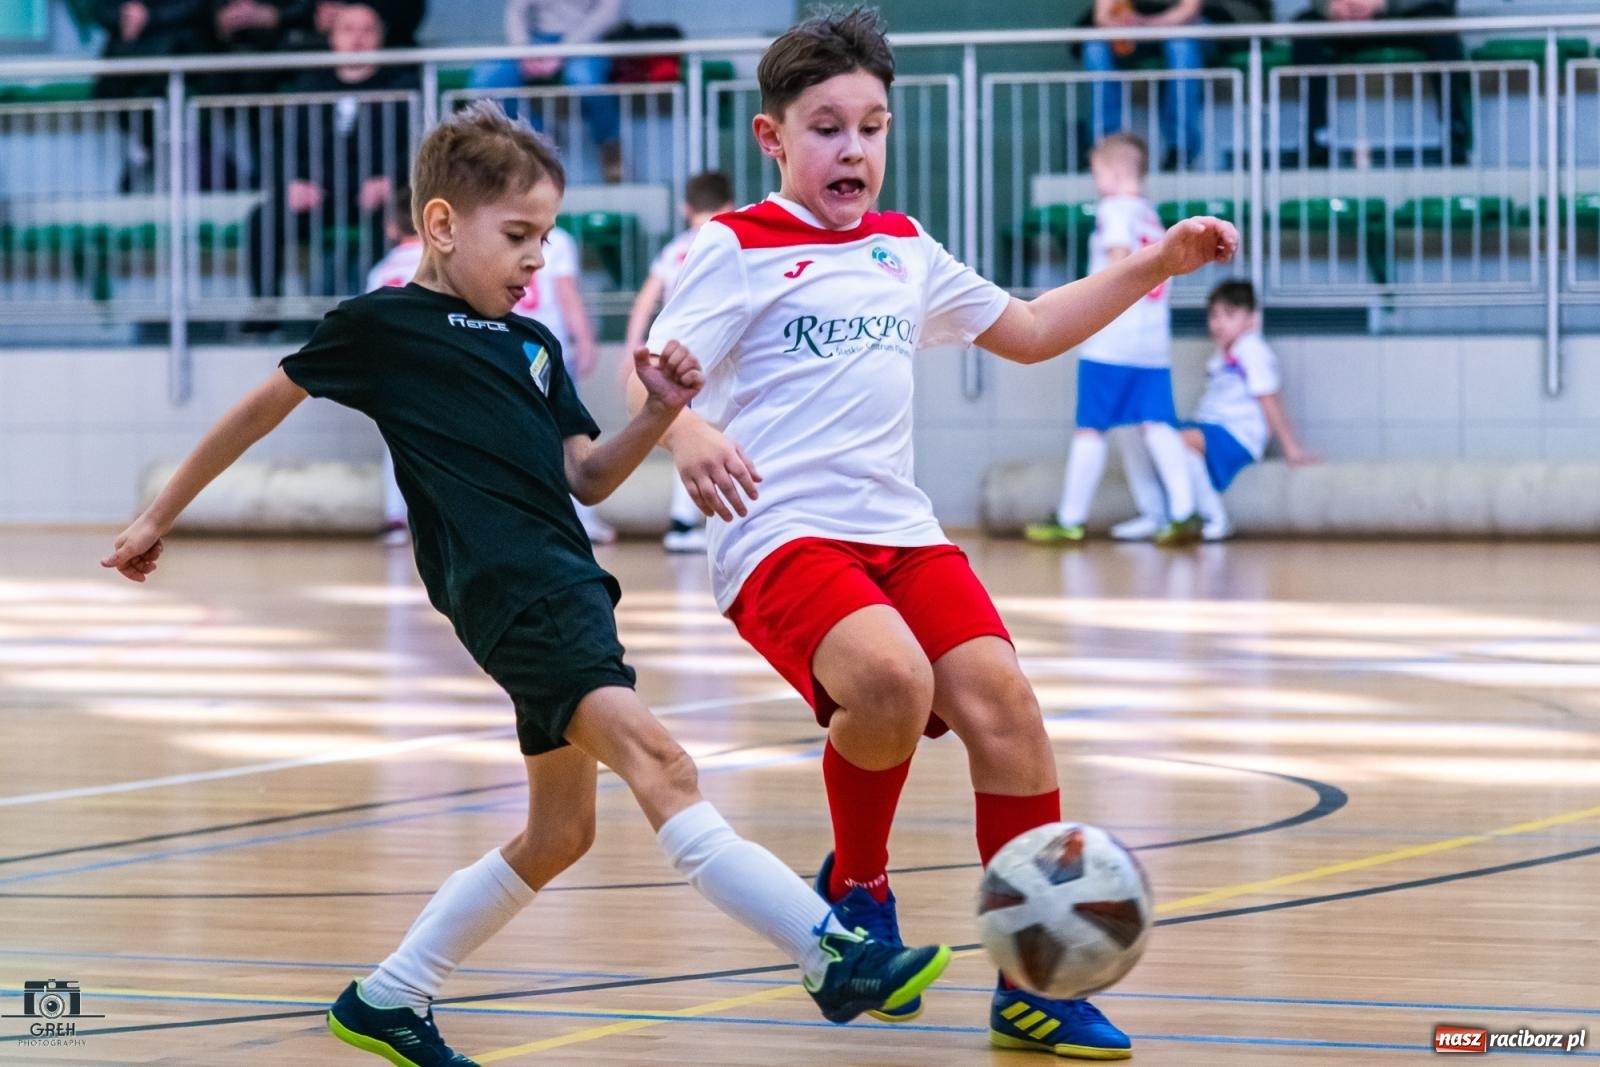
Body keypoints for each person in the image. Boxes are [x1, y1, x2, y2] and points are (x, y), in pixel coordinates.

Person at [101, 100, 951, 1067]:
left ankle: (388, 996)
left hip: (570, 584)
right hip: (512, 595)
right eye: (517, 236)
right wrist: (158, 515)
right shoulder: (381, 327)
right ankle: (828, 951)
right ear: (440, 224)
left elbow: (587, 475)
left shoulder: (536, 345)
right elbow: (260, 409)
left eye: (545, 237)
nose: (537, 258)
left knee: (560, 831)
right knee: (665, 767)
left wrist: (661, 412)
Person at [629, 9, 1236, 1058]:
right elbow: (648, 371)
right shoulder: (736, 246)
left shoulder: (904, 247)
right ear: (773, 137)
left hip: (897, 527)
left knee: (1007, 707)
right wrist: (684, 433)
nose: (853, 148)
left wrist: (1157, 262)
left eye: (871, 127)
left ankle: (1032, 982)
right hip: (779, 529)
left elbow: (1032, 329)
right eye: (826, 127)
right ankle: (859, 888)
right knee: (892, 681)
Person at [1026, 132, 1202, 549]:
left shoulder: (1115, 210)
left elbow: (1119, 261)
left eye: (1098, 173)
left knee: (1090, 427)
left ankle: (1070, 519)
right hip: (1151, 342)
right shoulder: (1152, 217)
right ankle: (1183, 512)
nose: (1096, 182)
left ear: (1115, 172)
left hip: (1111, 339)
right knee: (1157, 423)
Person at [1114, 279, 1318, 542]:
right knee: (1133, 428)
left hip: (1237, 436)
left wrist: (1291, 448)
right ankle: (1154, 514)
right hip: (1209, 429)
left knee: (1177, 442)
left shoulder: (1252, 350)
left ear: (1251, 319)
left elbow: (1269, 399)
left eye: (1229, 315)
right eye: (1214, 315)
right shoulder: (1222, 354)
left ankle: (1211, 517)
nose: (1219, 323)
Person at [247, 2, 418, 313]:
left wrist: (390, 180)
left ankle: (379, 315)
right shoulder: (307, 87)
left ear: (381, 38)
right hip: (317, 194)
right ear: (332, 37)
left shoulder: (403, 86)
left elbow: (416, 144)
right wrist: (292, 182)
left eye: (367, 30)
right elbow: (281, 145)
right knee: (263, 219)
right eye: (348, 30)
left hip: (376, 195)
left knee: (396, 220)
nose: (357, 39)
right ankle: (264, 315)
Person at [623, 170, 736, 554]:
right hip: (714, 355)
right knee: (706, 434)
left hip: (672, 354)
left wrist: (632, 349)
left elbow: (644, 301)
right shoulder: (732, 242)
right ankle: (684, 522)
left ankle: (688, 521)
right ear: (729, 205)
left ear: (685, 208)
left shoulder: (674, 249)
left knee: (688, 433)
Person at [1292, 0, 1470, 167]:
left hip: (1404, 17)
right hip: (1341, 20)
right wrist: (1329, 5)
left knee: (1438, 20)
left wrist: (1384, 4)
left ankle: (1455, 133)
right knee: (1306, 26)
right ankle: (1318, 137)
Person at [469, 0, 625, 182]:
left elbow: (610, 13)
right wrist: (522, 49)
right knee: (486, 83)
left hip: (589, 39)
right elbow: (516, 11)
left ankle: (610, 144)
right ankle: (535, 140)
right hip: (534, 41)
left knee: (585, 81)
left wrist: (565, 49)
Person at [91, 0, 212, 192]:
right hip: (127, 55)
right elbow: (100, 9)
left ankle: (151, 154)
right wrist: (125, 15)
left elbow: (195, 7)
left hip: (176, 53)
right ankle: (148, 151)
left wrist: (149, 16)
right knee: (112, 92)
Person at [1081, 0, 1206, 170]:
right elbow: (1102, 16)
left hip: (1179, 29)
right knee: (1095, 48)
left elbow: (1189, 12)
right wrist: (1123, 25)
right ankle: (1105, 145)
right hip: (1132, 33)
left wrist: (1146, 24)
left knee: (1181, 45)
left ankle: (1182, 149)